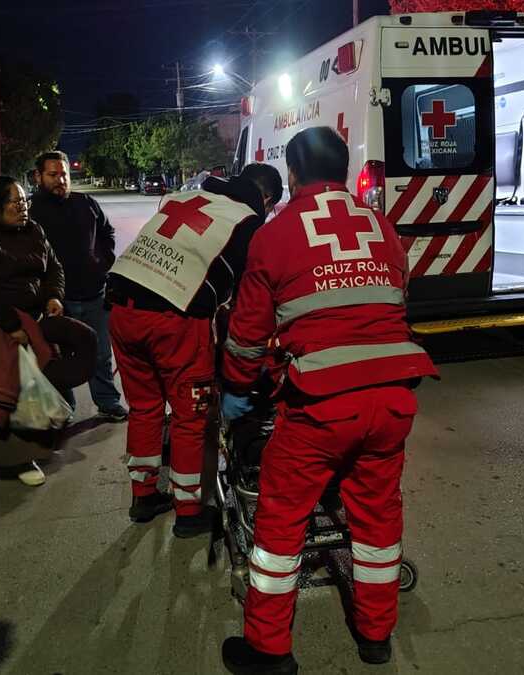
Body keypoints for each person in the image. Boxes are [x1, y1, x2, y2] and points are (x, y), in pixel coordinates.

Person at [218, 128, 439, 674]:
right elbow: (390, 306)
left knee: (281, 521)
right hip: (392, 400)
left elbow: (247, 337)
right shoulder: (382, 227)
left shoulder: (274, 235)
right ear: (342, 171)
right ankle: (375, 636)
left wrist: (241, 386)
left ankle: (268, 650)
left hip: (320, 406)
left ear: (291, 174)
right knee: (377, 520)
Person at [105, 163, 283, 538]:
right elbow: (247, 301)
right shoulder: (247, 221)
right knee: (189, 416)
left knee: (146, 407)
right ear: (265, 199)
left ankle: (143, 496)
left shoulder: (184, 196)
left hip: (123, 310)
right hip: (175, 322)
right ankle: (188, 512)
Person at [0, 175, 97, 486]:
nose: (23, 208)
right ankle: (15, 461)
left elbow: (53, 267)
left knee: (81, 343)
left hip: (37, 319)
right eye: (15, 202)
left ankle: (41, 440)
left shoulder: (33, 230)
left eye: (24, 201)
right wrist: (13, 327)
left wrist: (53, 296)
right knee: (9, 395)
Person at [30, 151, 128, 421]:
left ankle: (107, 402)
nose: (60, 180)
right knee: (60, 360)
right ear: (39, 177)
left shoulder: (86, 203)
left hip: (95, 294)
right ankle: (65, 409)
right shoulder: (32, 212)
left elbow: (107, 233)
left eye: (64, 174)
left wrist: (102, 261)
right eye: (53, 175)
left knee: (101, 355)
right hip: (58, 300)